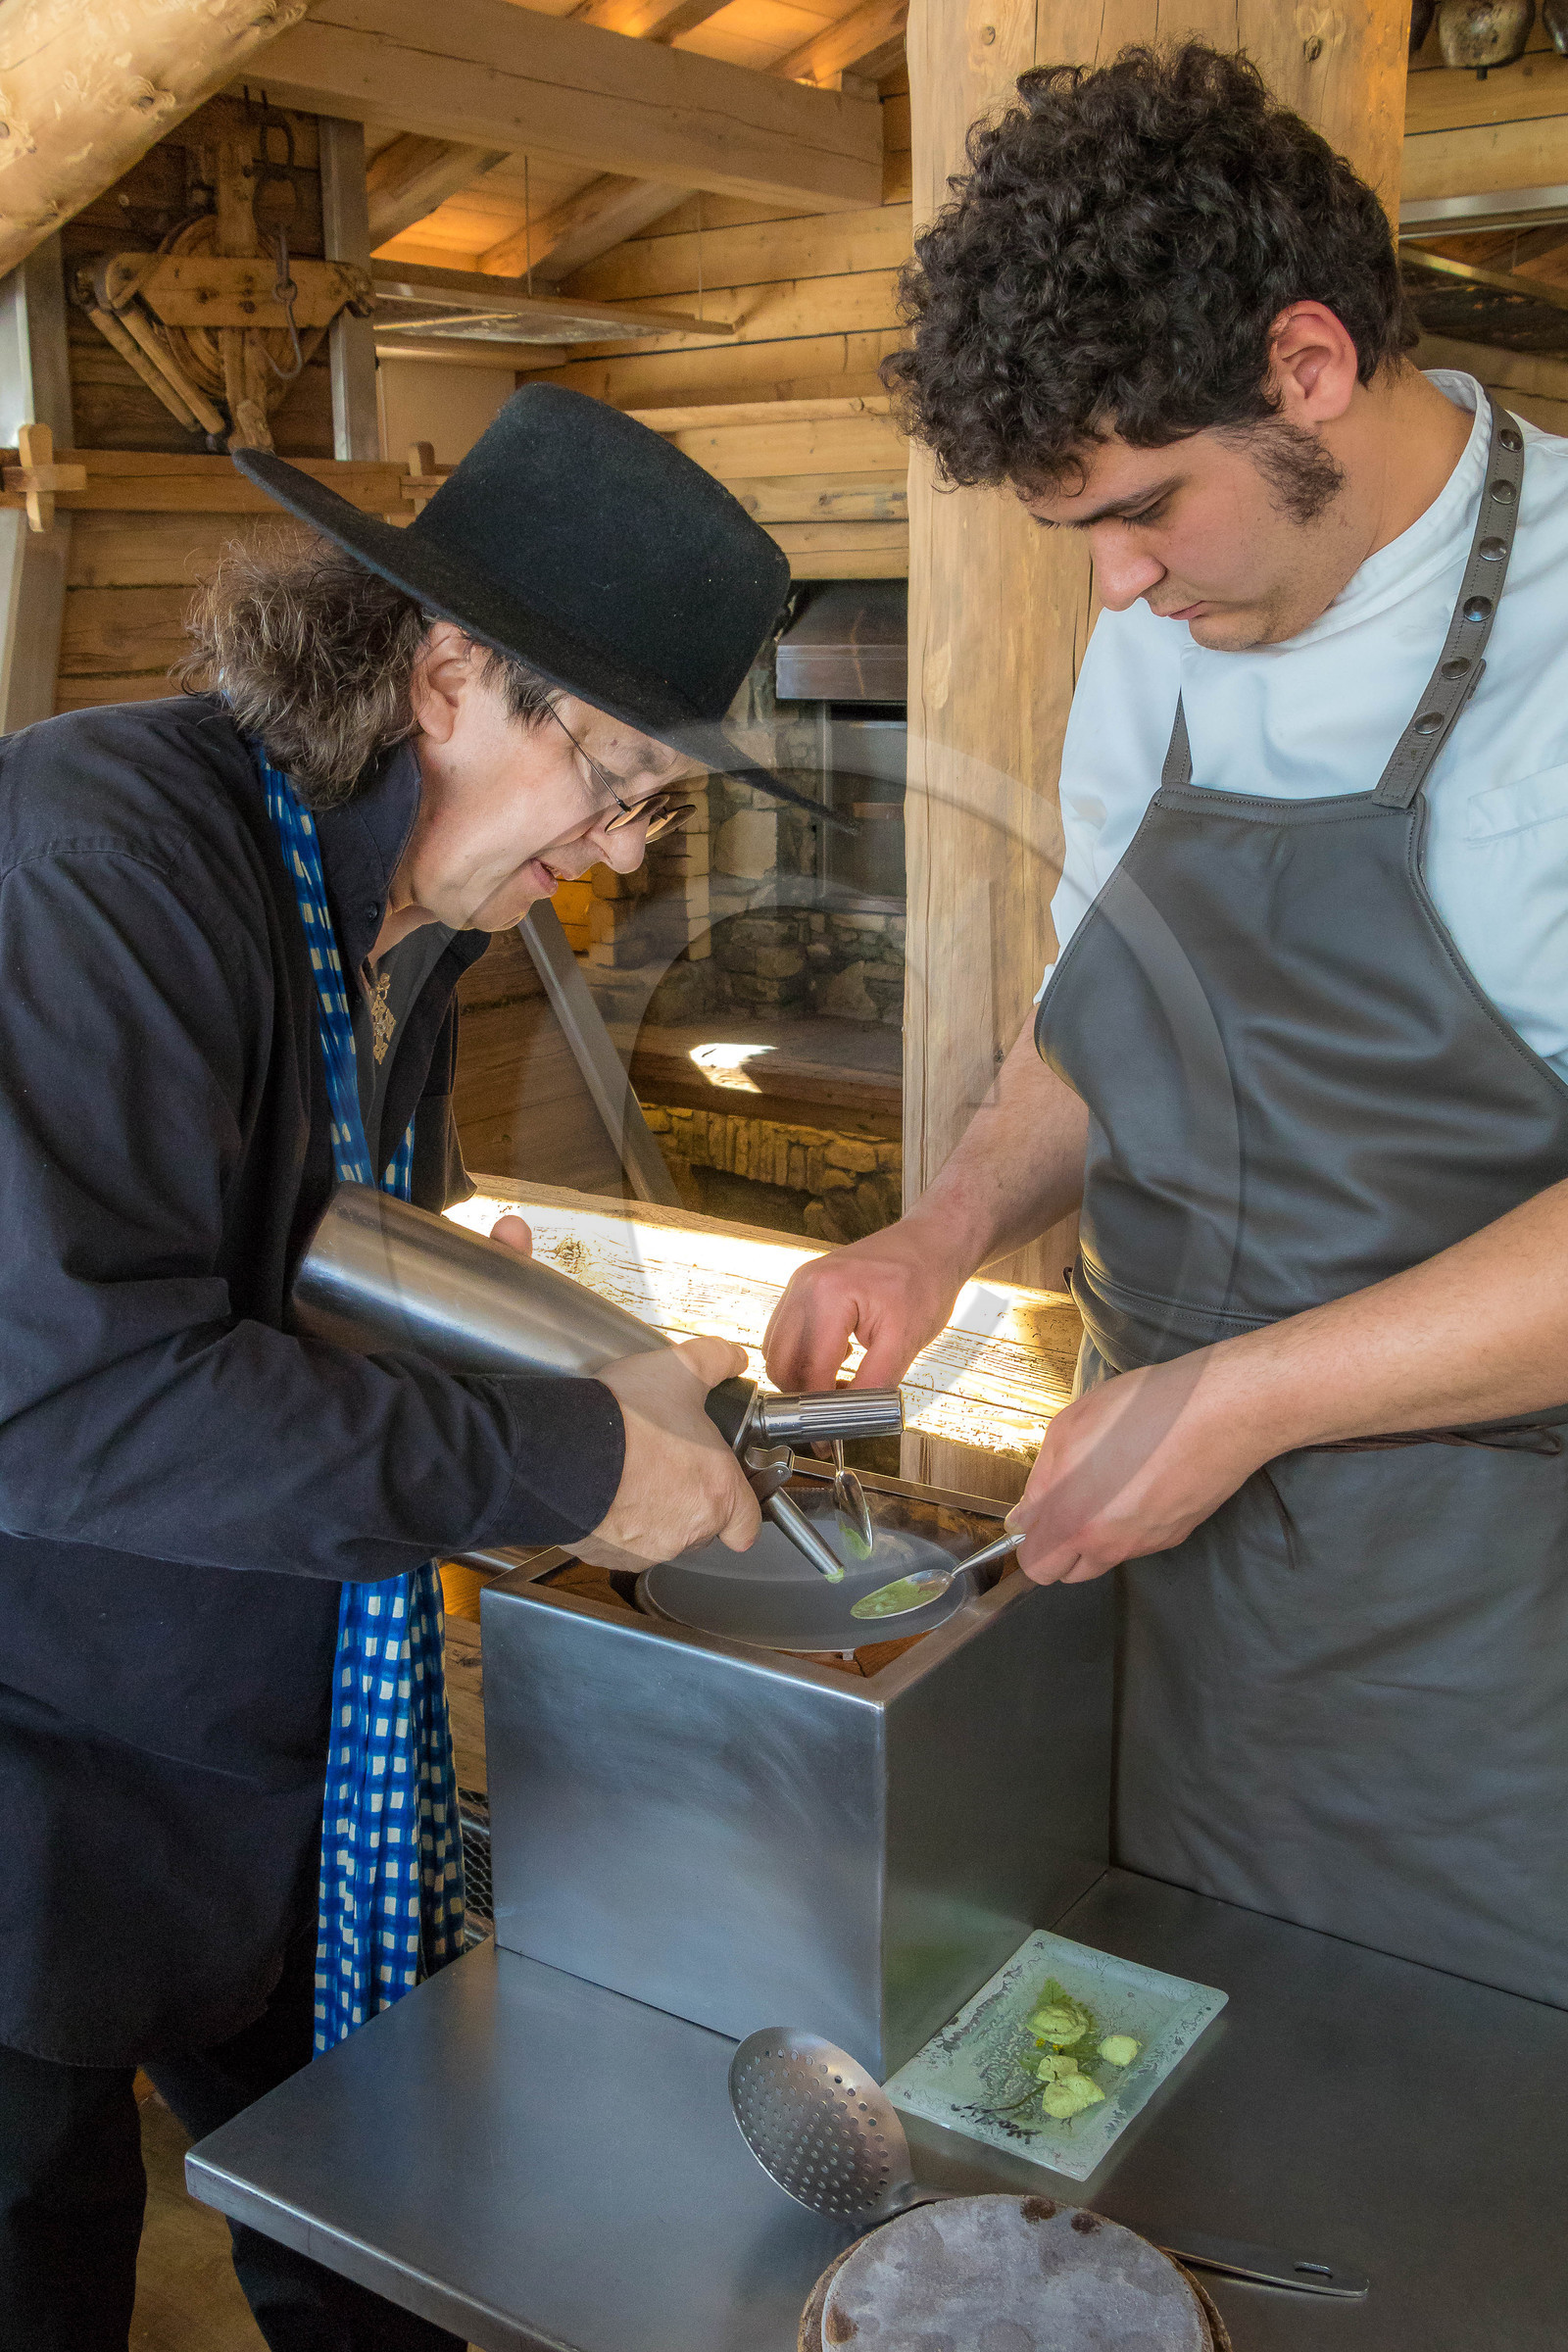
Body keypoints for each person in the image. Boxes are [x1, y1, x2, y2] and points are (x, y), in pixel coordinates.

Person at [0, 385, 821, 2347]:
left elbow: (300, 1269)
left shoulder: (392, 926)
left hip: (291, 1769)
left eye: (652, 814)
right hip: (43, 1801)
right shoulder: (96, 861)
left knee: (387, 2269)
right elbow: (69, 1401)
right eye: (616, 787)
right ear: (449, 674)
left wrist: (482, 1311)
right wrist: (559, 1462)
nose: (611, 863)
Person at [765, 46, 1568, 2011]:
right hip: (1151, 1541)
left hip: (1487, 1615)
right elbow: (1095, 1021)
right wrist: (938, 1228)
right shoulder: (1160, 638)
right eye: (1079, 538)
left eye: (1140, 510)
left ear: (1304, 365)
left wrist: (1240, 1401)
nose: (1112, 587)